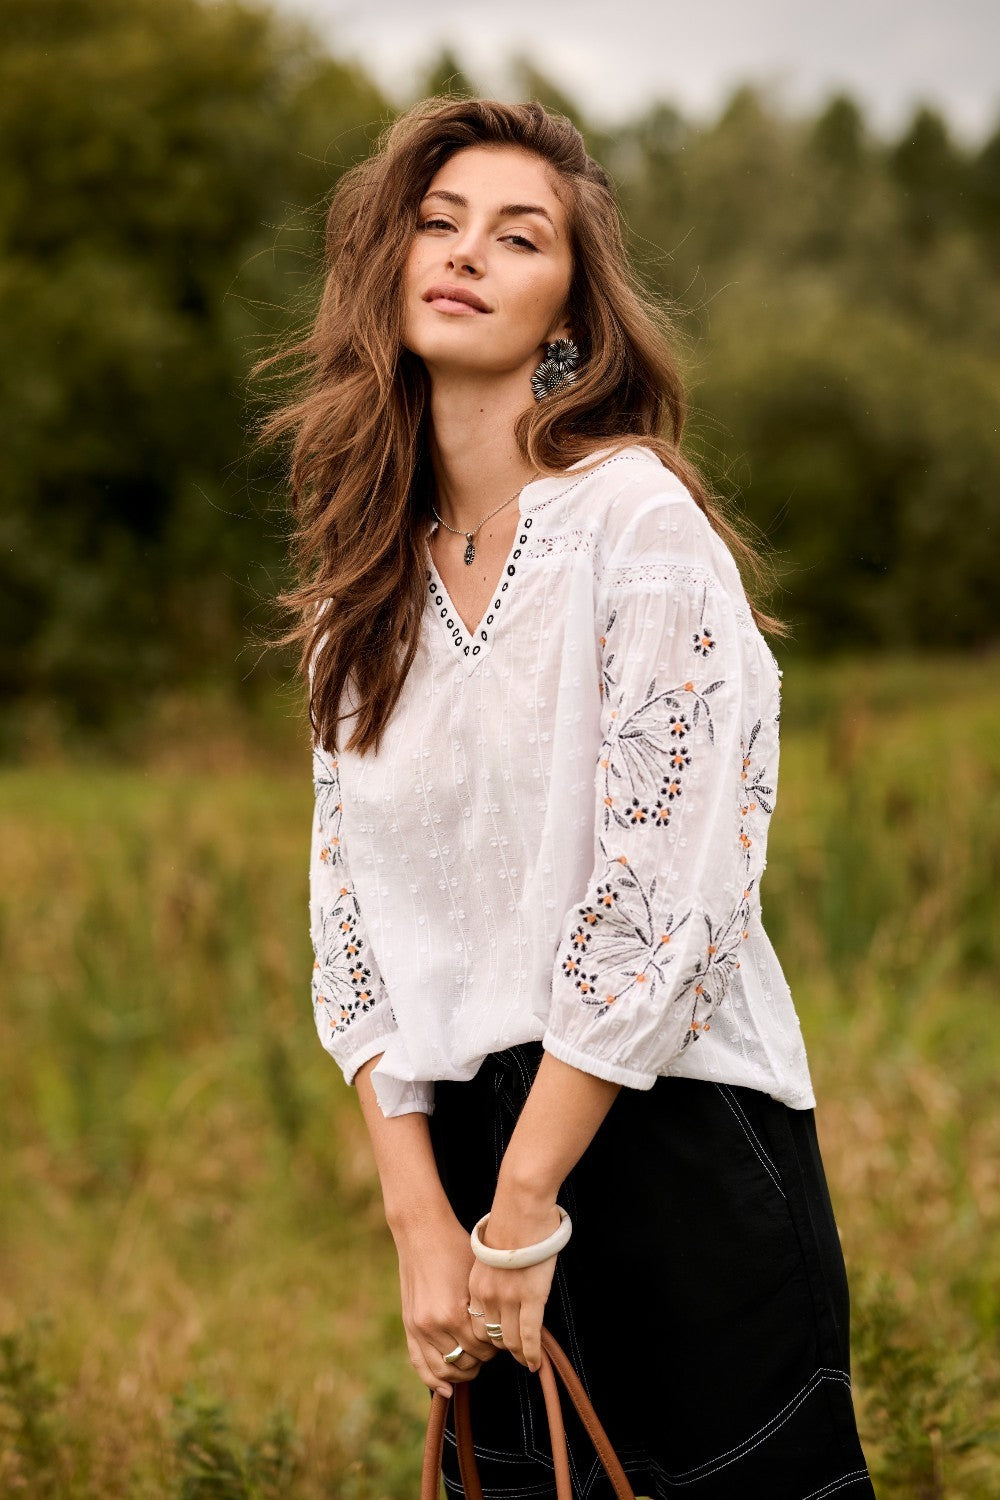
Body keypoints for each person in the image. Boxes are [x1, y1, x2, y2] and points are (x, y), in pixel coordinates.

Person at [263, 97, 875, 1498]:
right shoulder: (357, 596)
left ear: (570, 319)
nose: (467, 252)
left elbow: (669, 886)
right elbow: (348, 916)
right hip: (469, 1155)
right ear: (389, 268)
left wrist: (532, 1203)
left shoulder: (634, 522)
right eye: (439, 222)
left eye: (517, 236)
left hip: (664, 1137)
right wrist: (421, 1215)